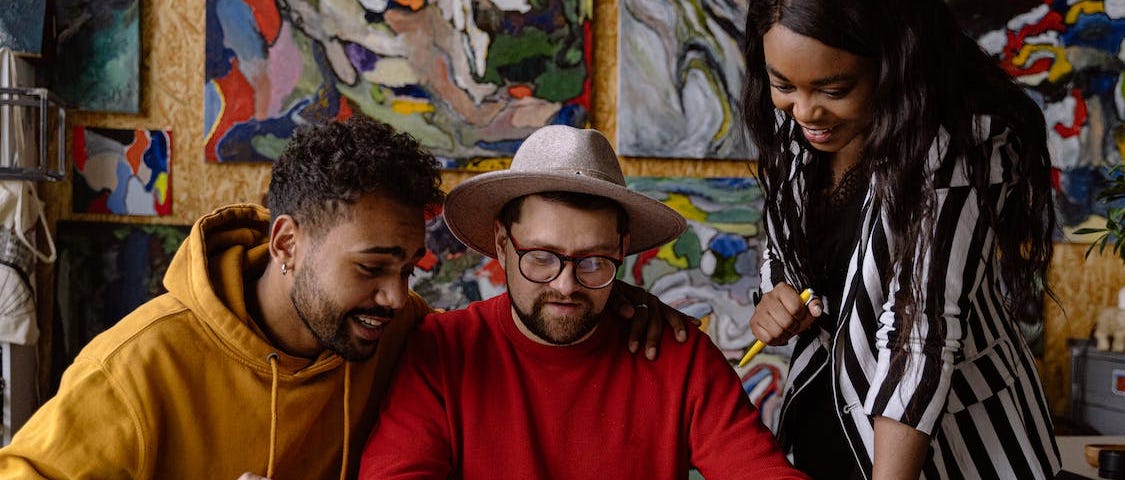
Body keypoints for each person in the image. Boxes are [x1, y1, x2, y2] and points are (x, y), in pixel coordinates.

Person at [0, 115, 688, 479]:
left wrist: (611, 300)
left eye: (410, 269)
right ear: (287, 243)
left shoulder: (399, 332)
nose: (394, 296)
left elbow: (518, 334)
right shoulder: (136, 366)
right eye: (371, 268)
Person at [358, 125, 807, 479]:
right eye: (541, 258)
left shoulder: (678, 353)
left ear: (622, 247)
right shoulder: (442, 350)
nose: (567, 285)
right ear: (501, 243)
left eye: (594, 261)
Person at [741, 0, 1061, 479]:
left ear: (893, 63)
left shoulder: (960, 143)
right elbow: (787, 243)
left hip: (947, 452)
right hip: (832, 431)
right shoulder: (800, 129)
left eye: (834, 89)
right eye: (782, 84)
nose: (804, 110)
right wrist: (776, 291)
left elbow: (920, 335)